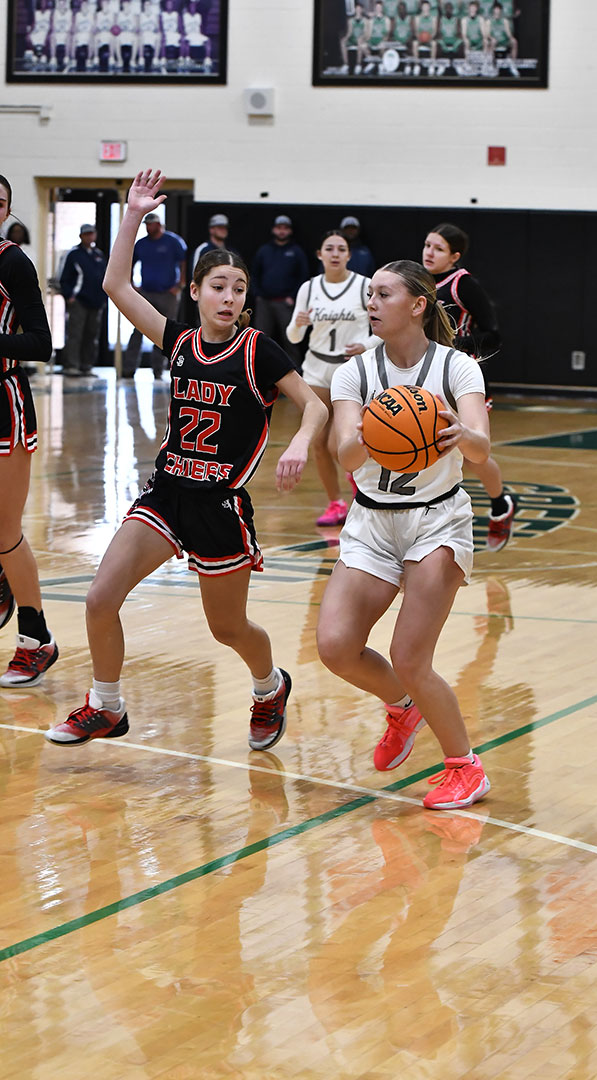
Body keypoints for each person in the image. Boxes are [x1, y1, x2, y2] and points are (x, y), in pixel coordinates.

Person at [44, 169, 327, 749]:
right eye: (219, 286)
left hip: (220, 506)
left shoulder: (257, 349)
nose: (230, 298)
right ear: (195, 291)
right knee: (100, 598)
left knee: (228, 628)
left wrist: (300, 442)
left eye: (239, 289)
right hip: (167, 494)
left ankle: (269, 686)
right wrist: (132, 215)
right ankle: (106, 705)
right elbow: (116, 286)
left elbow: (315, 406)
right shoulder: (177, 341)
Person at [316, 260, 492, 811]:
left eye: (383, 294)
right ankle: (402, 706)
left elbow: (481, 448)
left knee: (411, 657)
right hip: (372, 520)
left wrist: (461, 433)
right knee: (335, 647)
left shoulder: (457, 367)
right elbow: (345, 455)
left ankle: (465, 768)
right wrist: (374, 430)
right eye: (369, 294)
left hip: (437, 519)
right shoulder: (354, 373)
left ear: (417, 305)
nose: (371, 302)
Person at [422, 222, 517, 551]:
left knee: (471, 454)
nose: (429, 252)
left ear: (454, 256)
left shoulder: (463, 284)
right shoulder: (415, 282)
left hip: (460, 376)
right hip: (423, 373)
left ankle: (501, 503)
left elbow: (493, 335)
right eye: (427, 245)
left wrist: (454, 343)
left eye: (438, 248)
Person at [0, 174, 59, 688]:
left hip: (4, 404)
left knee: (5, 530)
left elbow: (41, 343)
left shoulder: (12, 261)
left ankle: (36, 639)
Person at [286, 230, 380, 526]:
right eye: (329, 248)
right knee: (317, 441)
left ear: (349, 255)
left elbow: (383, 328)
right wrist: (298, 324)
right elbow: (293, 336)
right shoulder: (309, 287)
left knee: (336, 443)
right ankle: (336, 503)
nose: (335, 253)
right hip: (316, 367)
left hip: (350, 369)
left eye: (341, 249)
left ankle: (361, 485)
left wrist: (365, 345)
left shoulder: (365, 285)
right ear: (320, 254)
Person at [122, 209, 187, 379]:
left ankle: (159, 369)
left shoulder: (173, 241)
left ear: (159, 225)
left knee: (164, 332)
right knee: (138, 330)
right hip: (146, 293)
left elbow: (183, 262)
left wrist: (180, 284)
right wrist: (131, 283)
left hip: (168, 294)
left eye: (151, 224)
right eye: (147, 225)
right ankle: (129, 368)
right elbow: (130, 261)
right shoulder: (141, 244)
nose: (148, 228)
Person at [251, 215, 309, 367]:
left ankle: (294, 372)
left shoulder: (296, 251)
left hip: (285, 303)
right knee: (260, 338)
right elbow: (254, 274)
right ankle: (257, 370)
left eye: (285, 228)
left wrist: (293, 296)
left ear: (290, 231)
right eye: (279, 228)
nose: (282, 231)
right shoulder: (264, 250)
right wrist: (257, 294)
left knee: (291, 339)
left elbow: (303, 276)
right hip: (264, 302)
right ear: (274, 230)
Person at [59, 223, 108, 376]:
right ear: (81, 236)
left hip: (97, 302)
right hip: (79, 301)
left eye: (91, 233)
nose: (89, 237)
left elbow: (105, 277)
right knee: (75, 334)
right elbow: (64, 277)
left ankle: (87, 365)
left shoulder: (98, 255)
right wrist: (69, 296)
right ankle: (72, 365)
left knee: (91, 335)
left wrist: (104, 297)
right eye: (86, 234)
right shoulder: (74, 254)